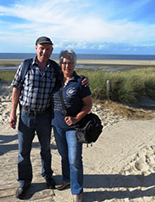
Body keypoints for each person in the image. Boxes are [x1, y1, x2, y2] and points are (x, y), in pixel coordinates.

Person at [9, 36, 88, 199]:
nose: (44, 51)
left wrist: (83, 79)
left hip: (45, 116)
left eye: (48, 49)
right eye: (41, 48)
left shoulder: (54, 68)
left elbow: (69, 73)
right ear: (36, 48)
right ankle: (24, 182)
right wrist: (12, 114)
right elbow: (16, 90)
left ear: (51, 51)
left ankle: (48, 176)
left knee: (46, 149)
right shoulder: (25, 65)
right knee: (23, 151)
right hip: (25, 115)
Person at [52, 50, 92, 202]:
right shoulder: (55, 79)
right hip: (57, 125)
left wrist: (76, 118)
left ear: (75, 64)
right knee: (63, 155)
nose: (67, 65)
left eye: (70, 62)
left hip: (73, 128)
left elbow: (88, 105)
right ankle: (66, 179)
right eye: (64, 62)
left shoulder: (80, 82)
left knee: (74, 158)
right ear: (60, 64)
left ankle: (77, 190)